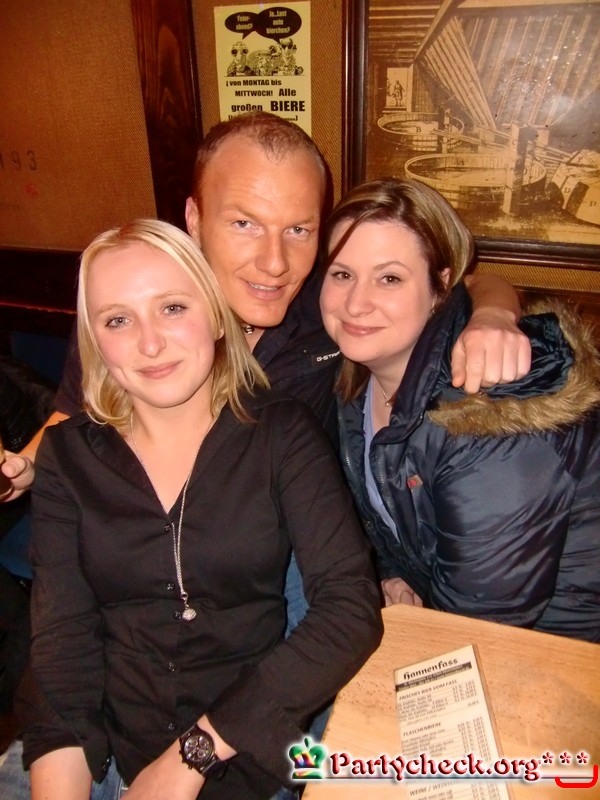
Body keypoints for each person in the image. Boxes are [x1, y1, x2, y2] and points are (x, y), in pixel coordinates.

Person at [18, 219, 383, 800]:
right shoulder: (67, 457)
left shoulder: (282, 433)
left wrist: (191, 757)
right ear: (95, 342)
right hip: (107, 761)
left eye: (171, 308)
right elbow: (64, 642)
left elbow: (349, 610)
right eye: (118, 320)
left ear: (215, 316)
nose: (150, 344)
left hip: (250, 764)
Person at [1, 111, 531, 502]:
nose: (275, 264)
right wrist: (23, 467)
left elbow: (469, 281)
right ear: (194, 219)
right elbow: (74, 412)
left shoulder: (336, 300)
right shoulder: (138, 310)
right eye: (244, 224)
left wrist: (493, 315)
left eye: (298, 230)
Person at [319, 177, 600, 643]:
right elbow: (384, 508)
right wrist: (392, 571)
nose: (355, 303)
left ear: (440, 287)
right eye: (342, 274)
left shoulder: (490, 416)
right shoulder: (359, 376)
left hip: (564, 653)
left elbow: (480, 623)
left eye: (389, 278)